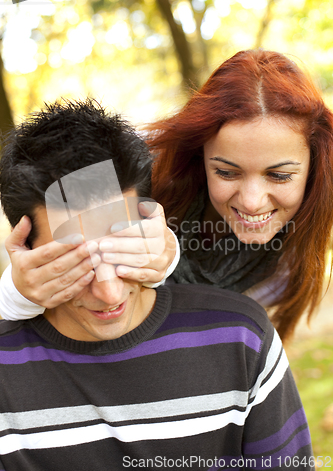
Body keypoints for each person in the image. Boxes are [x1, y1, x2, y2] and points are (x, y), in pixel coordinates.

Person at [0, 100, 314, 470]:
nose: (108, 293)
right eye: (72, 264)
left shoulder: (242, 339)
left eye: (122, 250)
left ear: (151, 221)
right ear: (24, 249)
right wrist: (13, 296)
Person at [1, 49, 333, 342]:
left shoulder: (299, 247)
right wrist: (18, 292)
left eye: (279, 175)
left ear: (315, 165)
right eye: (227, 172)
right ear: (199, 156)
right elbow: (54, 240)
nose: (251, 201)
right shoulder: (138, 170)